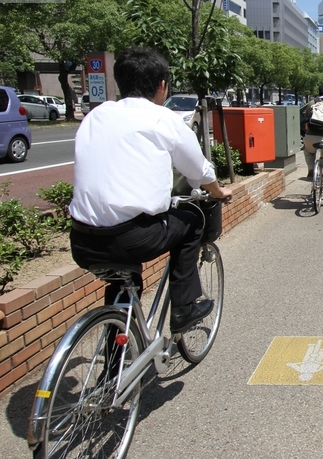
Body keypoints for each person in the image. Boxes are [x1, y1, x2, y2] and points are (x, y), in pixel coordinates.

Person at [68, 47, 232, 334]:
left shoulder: (96, 115)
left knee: (122, 280)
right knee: (193, 221)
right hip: (134, 237)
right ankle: (184, 307)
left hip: (82, 239)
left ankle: (116, 356)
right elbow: (199, 171)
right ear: (162, 85)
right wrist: (218, 192)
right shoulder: (163, 119)